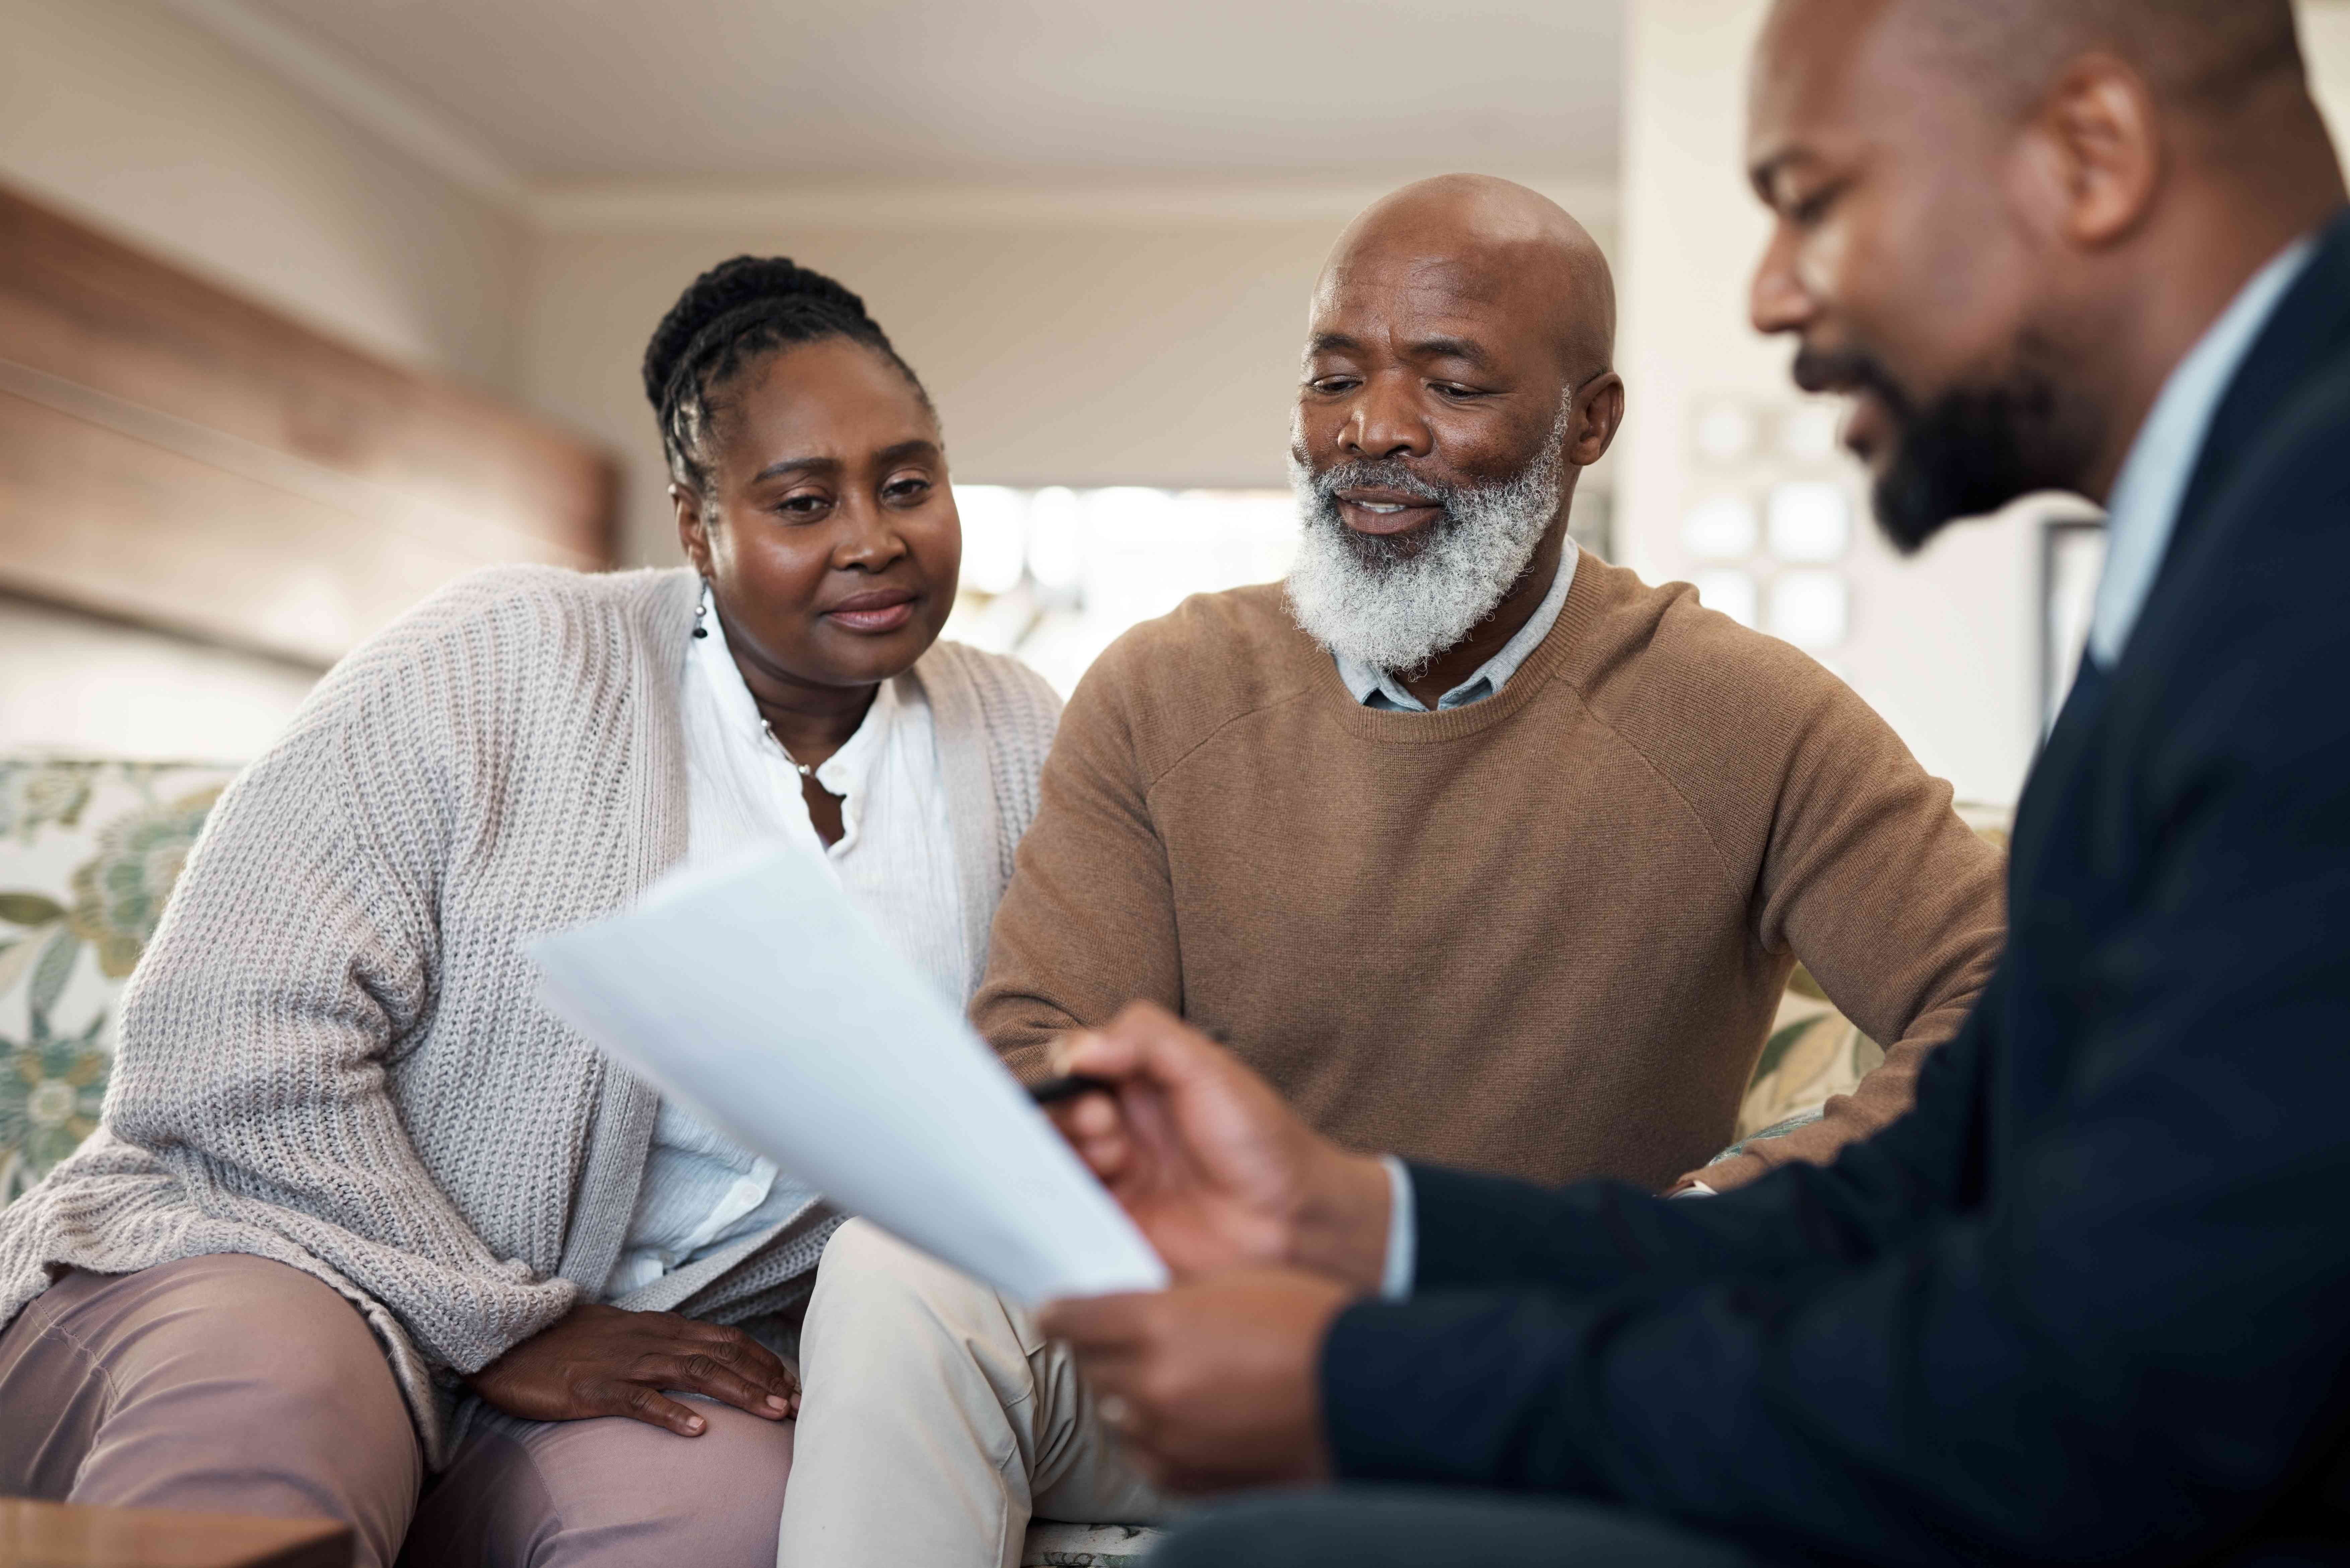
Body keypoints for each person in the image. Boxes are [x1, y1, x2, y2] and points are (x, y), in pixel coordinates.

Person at [1033, 1, 2350, 1562]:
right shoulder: (2219, 535)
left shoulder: (2308, 572)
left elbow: (2109, 1393)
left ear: (2091, 154)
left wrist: (1364, 1382)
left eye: (1811, 199)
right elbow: (1936, 1183)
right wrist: (1366, 1222)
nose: (1769, 291)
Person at [776, 176, 2008, 1565]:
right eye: (1333, 376)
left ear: (1586, 422)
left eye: (1450, 380)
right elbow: (1033, 1039)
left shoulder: (1741, 713)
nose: (1370, 431)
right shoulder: (1164, 686)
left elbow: (2010, 1004)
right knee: (896, 1268)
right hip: (1208, 1338)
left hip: (1524, 1376)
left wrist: (1731, 1218)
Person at [0, 256, 1060, 1567]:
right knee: (274, 1413)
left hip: (642, 1351)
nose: (872, 538)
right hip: (275, 1258)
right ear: (694, 521)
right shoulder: (501, 657)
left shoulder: (1018, 738)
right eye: (802, 500)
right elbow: (227, 1037)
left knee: (720, 1514)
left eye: (909, 483)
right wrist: (497, 1323)